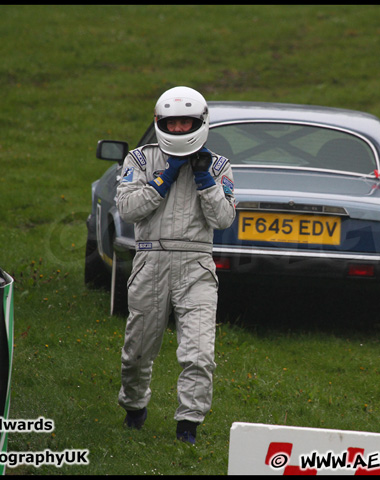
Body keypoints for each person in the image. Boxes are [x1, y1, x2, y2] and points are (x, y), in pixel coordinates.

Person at [116, 86, 236, 444]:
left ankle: (188, 427)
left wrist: (206, 182)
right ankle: (134, 407)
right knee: (137, 352)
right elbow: (127, 209)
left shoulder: (217, 166)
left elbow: (225, 218)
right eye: (173, 123)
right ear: (159, 123)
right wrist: (162, 179)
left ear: (200, 123)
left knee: (199, 353)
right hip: (151, 259)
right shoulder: (140, 160)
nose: (181, 130)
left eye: (187, 123)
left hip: (197, 264)